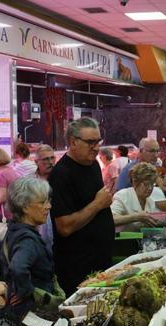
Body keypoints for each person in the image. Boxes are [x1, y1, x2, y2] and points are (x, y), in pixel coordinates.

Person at [49, 117, 115, 294]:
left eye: (98, 141)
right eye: (90, 142)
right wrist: (97, 204)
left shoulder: (92, 164)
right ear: (73, 142)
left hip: (100, 260)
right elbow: (64, 227)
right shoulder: (61, 175)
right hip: (78, 267)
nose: (96, 147)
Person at [5, 178, 64, 317]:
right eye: (43, 202)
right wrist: (27, 292)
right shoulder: (27, 239)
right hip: (35, 312)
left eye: (48, 201)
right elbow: (18, 267)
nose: (48, 206)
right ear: (24, 207)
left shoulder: (14, 231)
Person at [112, 163, 166, 231]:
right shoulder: (122, 196)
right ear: (135, 182)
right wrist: (136, 217)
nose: (150, 188)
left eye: (152, 184)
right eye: (146, 184)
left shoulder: (150, 202)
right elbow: (111, 219)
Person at [0, 147, 20, 221]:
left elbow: (1, 198)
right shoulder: (11, 170)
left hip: (5, 215)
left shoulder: (1, 174)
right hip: (14, 212)